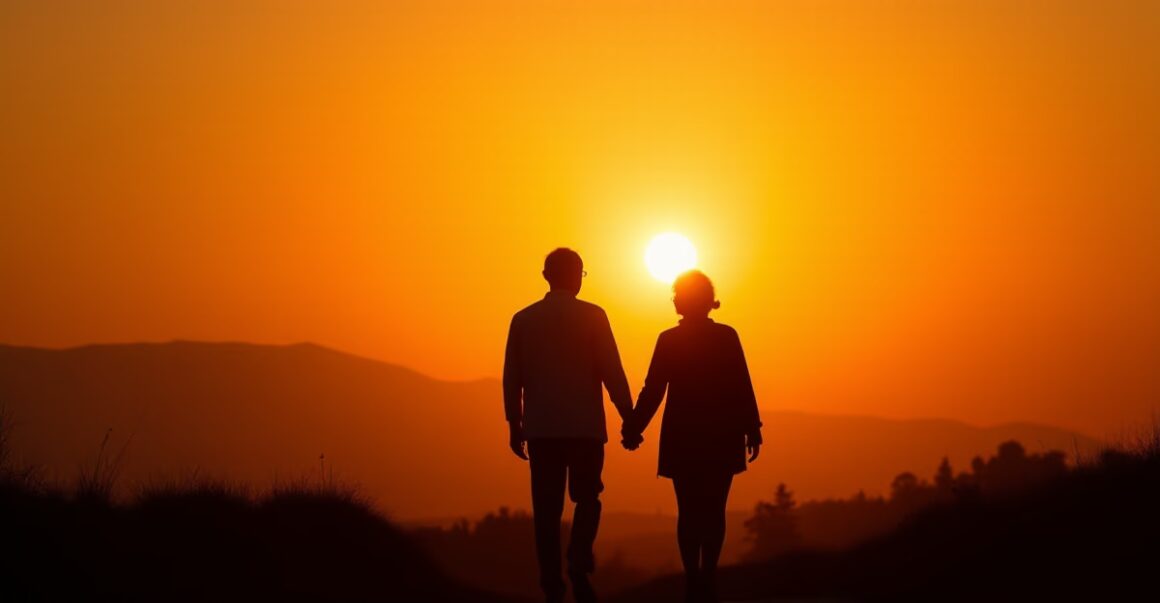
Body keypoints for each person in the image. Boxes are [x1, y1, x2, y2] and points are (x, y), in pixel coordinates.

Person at [503, 248, 637, 603]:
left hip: (542, 427)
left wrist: (514, 424)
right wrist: (629, 417)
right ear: (577, 276)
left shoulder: (524, 319)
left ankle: (551, 583)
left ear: (546, 275)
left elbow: (511, 377)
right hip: (585, 427)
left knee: (546, 510)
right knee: (588, 497)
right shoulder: (594, 316)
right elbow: (612, 370)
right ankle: (579, 559)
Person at [622, 270, 763, 603]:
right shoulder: (727, 336)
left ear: (682, 301)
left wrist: (633, 427)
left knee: (688, 511)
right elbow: (741, 384)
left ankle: (692, 579)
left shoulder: (669, 340)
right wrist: (752, 427)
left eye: (677, 294)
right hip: (722, 434)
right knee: (715, 509)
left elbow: (653, 389)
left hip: (683, 436)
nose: (674, 299)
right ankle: (708, 576)